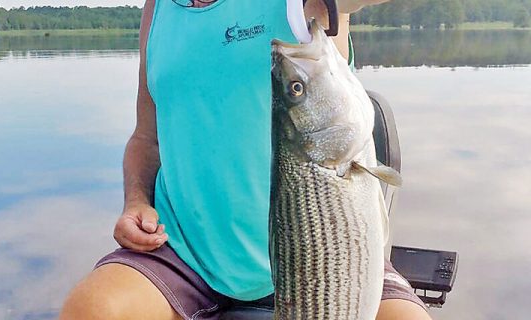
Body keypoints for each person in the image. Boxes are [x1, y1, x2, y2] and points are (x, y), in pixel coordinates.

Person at [60, 1, 432, 319]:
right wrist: (136, 202)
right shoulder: (157, 9)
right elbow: (146, 138)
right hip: (184, 253)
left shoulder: (301, 6)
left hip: (326, 256)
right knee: (92, 310)